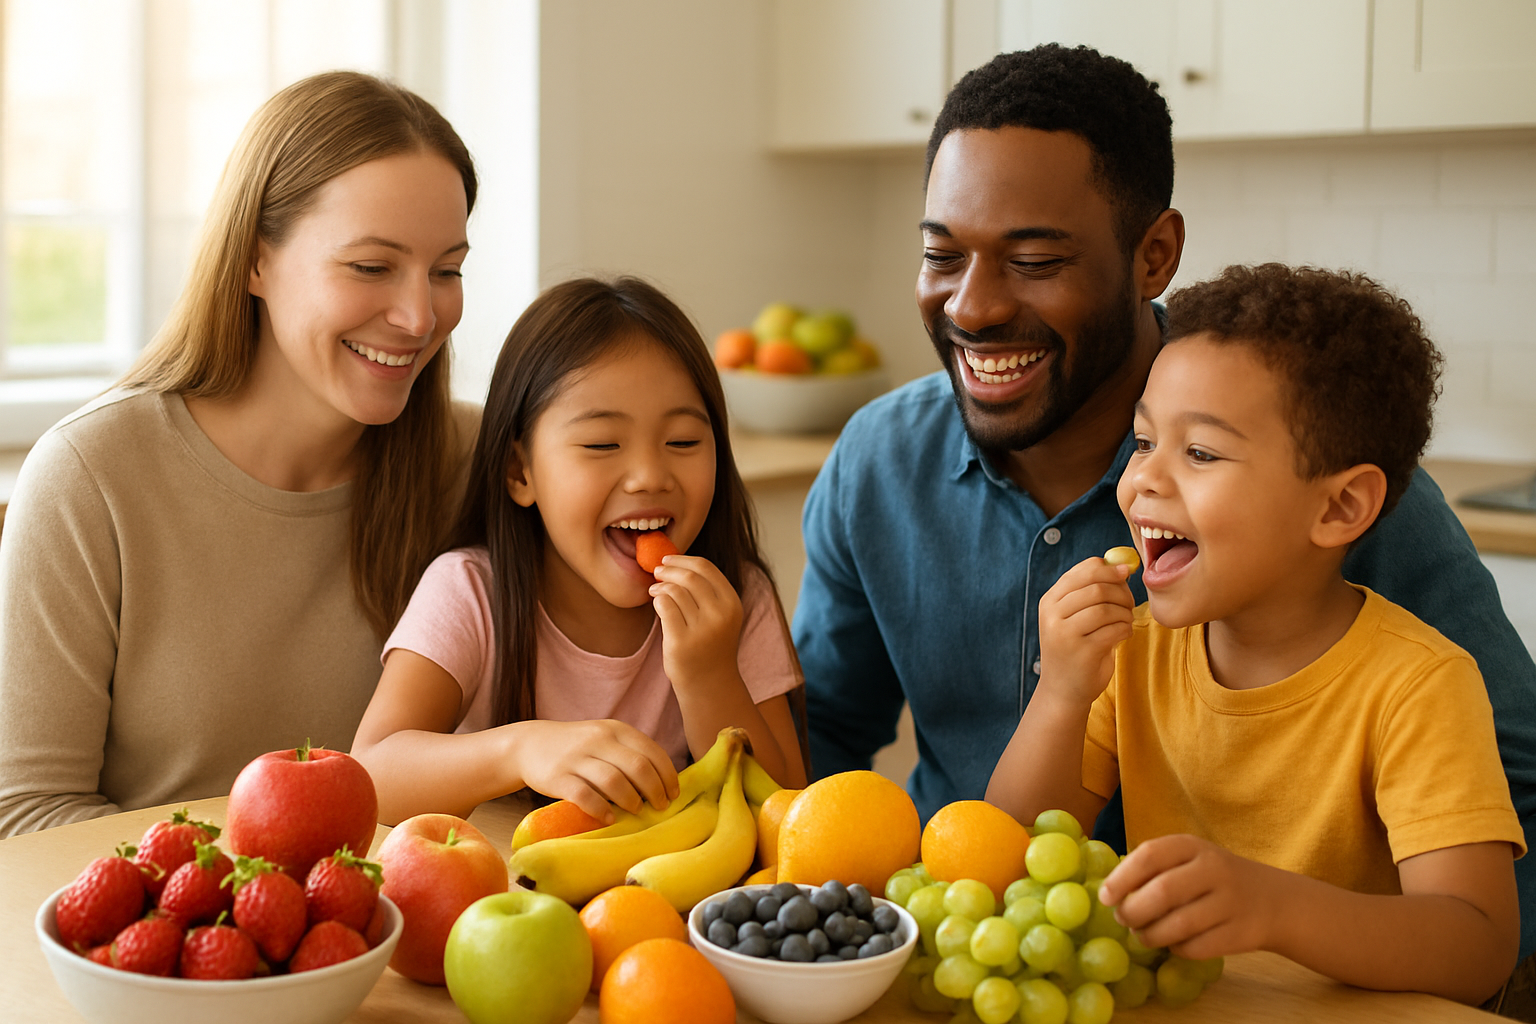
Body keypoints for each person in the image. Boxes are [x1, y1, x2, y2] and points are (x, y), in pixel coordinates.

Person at [793, 43, 1536, 961]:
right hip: (989, 952)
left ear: (1154, 256)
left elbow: (1505, 813)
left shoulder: (1329, 476)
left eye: (1032, 259)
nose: (973, 307)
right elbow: (849, 750)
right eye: (942, 254)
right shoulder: (884, 465)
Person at [986, 264, 1523, 1005]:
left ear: (1339, 508)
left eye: (1200, 453)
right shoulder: (1132, 654)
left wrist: (1272, 907)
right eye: (1141, 443)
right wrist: (1061, 692)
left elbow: (1479, 946)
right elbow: (1004, 856)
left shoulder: (1418, 683)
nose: (1142, 481)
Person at [0, 71, 480, 838]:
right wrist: (269, 901)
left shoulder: (480, 462)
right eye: (370, 266)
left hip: (418, 941)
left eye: (447, 270)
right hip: (171, 946)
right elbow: (30, 814)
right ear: (255, 260)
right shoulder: (90, 478)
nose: (420, 316)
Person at [351, 277, 807, 825]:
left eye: (683, 441)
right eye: (601, 445)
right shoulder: (470, 590)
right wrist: (521, 750)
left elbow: (785, 816)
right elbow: (369, 777)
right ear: (521, 471)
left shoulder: (736, 597)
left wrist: (709, 676)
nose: (648, 477)